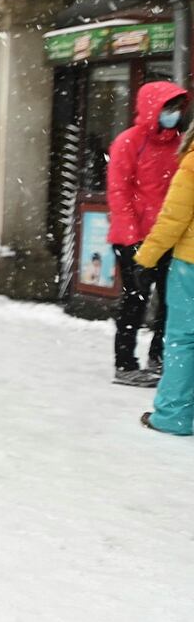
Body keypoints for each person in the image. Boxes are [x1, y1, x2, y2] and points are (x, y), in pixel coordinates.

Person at [108, 81, 187, 386]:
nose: (174, 113)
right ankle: (125, 364)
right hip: (134, 238)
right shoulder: (130, 141)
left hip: (169, 236)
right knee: (135, 300)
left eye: (177, 107)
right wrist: (132, 241)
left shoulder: (180, 143)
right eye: (168, 107)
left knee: (172, 301)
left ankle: (159, 357)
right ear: (153, 108)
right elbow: (119, 191)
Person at [137, 125, 194, 435]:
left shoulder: (191, 165)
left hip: (191, 266)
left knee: (184, 340)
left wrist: (146, 258)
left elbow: (173, 219)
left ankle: (174, 415)